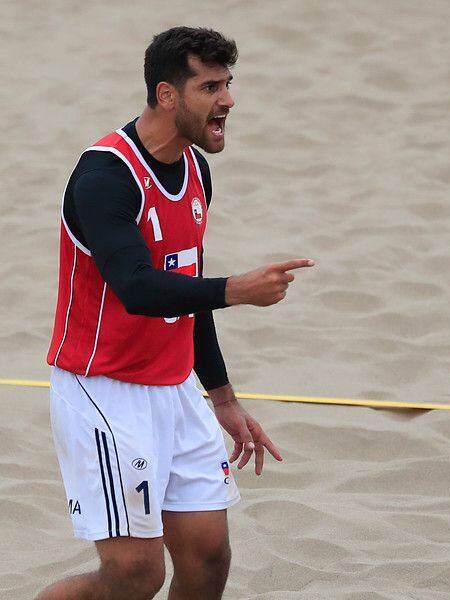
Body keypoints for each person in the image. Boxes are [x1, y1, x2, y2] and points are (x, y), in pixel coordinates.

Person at [41, 27, 314, 599]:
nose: (229, 101)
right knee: (136, 576)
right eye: (211, 86)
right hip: (103, 390)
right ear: (168, 95)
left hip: (174, 388)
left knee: (209, 557)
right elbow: (138, 289)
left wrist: (223, 396)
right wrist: (235, 290)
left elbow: (185, 287)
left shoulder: (195, 170)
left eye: (229, 84)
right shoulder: (104, 178)